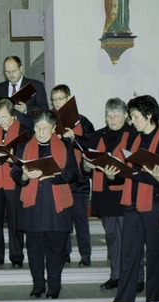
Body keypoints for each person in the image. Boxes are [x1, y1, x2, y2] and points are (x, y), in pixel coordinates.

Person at [105, 95, 159, 302]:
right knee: (129, 256)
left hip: (154, 205)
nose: (131, 122)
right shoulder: (134, 138)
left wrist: (138, 174)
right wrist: (112, 174)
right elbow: (126, 172)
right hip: (132, 204)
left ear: (148, 115)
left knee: (154, 257)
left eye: (134, 117)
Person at [11, 110, 79, 299]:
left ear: (53, 129)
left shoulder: (65, 146)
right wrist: (24, 175)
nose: (41, 132)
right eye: (38, 128)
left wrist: (55, 175)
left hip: (57, 206)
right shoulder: (24, 146)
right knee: (34, 250)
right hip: (33, 206)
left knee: (56, 250)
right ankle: (38, 285)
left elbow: (74, 173)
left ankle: (54, 287)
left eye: (45, 128)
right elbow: (15, 172)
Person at [85, 98, 141, 290]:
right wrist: (87, 165)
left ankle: (137, 278)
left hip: (126, 193)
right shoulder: (96, 136)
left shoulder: (134, 135)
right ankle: (116, 275)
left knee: (130, 239)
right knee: (112, 237)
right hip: (105, 194)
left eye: (117, 115)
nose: (113, 119)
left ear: (125, 115)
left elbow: (137, 167)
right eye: (109, 115)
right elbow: (87, 163)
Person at [50, 84, 95, 266]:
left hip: (79, 180)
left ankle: (86, 255)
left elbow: (92, 146)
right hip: (60, 179)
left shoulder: (82, 122)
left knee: (80, 219)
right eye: (54, 100)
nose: (57, 103)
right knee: (62, 219)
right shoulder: (51, 122)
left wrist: (74, 139)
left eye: (61, 98)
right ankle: (65, 253)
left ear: (69, 99)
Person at [0, 98, 32, 269]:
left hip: (14, 181)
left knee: (15, 220)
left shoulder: (24, 132)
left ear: (13, 116)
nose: (0, 121)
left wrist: (14, 159)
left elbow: (29, 155)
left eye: (4, 117)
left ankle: (17, 256)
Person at [0, 56, 48, 129]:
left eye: (14, 71)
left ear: (21, 69)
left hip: (29, 132)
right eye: (7, 72)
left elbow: (45, 111)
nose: (11, 75)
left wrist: (27, 110)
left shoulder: (36, 86)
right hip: (6, 132)